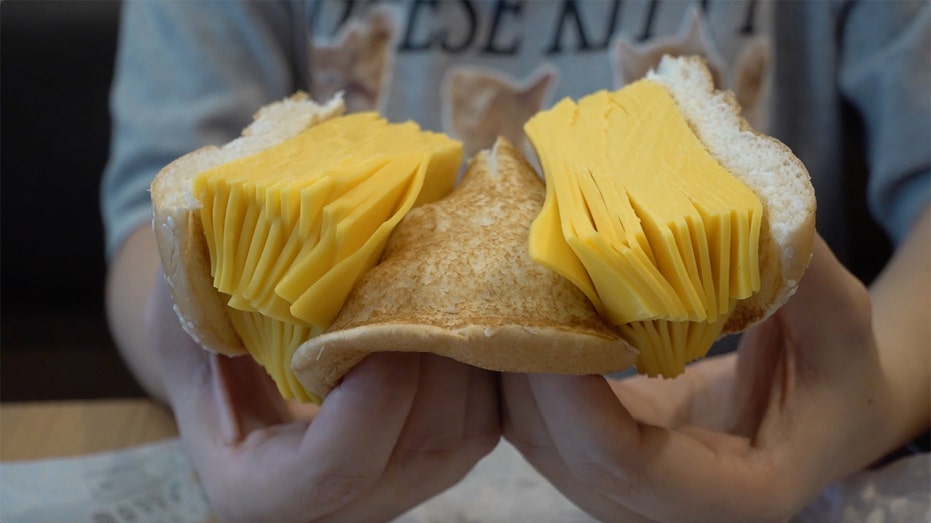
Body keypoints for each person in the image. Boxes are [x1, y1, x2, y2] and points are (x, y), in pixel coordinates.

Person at [102, 1, 929, 521]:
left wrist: (879, 388)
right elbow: (155, 202)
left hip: (742, 412)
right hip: (316, 414)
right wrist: (204, 368)